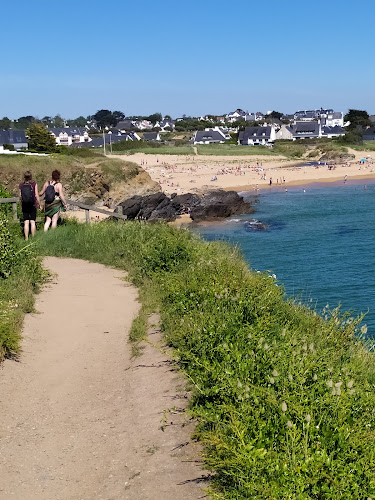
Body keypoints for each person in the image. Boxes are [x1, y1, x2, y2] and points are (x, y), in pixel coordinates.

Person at [19, 171, 41, 240]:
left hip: (25, 205)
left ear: (24, 177)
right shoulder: (34, 184)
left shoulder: (21, 185)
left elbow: (20, 197)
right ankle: (33, 238)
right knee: (32, 221)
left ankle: (26, 238)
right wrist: (39, 204)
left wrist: (21, 205)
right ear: (31, 177)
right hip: (32, 205)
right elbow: (37, 195)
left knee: (26, 222)